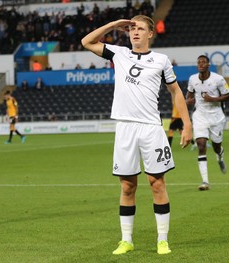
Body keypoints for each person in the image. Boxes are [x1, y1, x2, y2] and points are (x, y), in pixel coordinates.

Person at [82, 15, 192, 255]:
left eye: (140, 28)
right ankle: (126, 240)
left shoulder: (161, 60)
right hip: (125, 128)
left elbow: (176, 92)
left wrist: (187, 124)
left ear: (150, 33)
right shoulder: (119, 53)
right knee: (127, 186)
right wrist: (113, 25)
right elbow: (87, 42)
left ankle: (162, 240)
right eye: (131, 28)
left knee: (157, 183)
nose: (135, 32)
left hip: (151, 128)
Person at [186, 55, 229, 191]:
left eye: (203, 62)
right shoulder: (193, 79)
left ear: (208, 65)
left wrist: (212, 99)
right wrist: (189, 100)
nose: (200, 64)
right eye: (199, 62)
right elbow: (189, 95)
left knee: (217, 146)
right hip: (200, 116)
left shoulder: (218, 79)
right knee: (201, 145)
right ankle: (205, 181)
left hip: (216, 117)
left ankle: (220, 156)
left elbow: (228, 96)